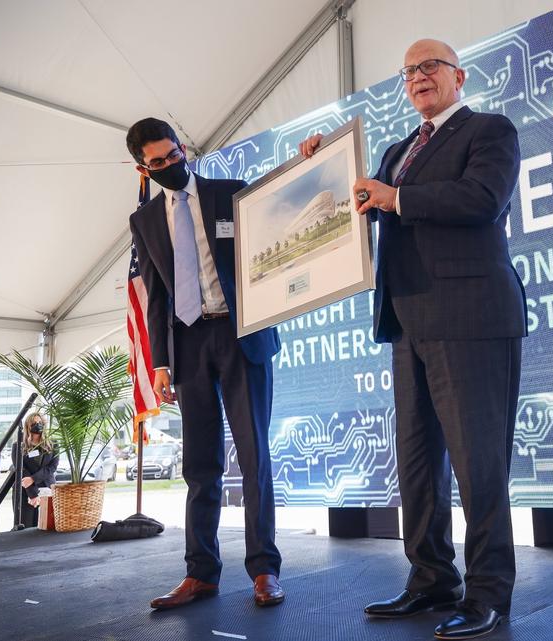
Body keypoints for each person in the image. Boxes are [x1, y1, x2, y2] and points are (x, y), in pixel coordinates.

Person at [299, 38, 525, 640]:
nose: (418, 77)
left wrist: (396, 197)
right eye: (408, 72)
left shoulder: (490, 130)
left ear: (459, 76)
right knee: (419, 464)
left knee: (480, 465)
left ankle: (488, 595)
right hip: (409, 322)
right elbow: (362, 199)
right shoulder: (400, 150)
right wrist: (320, 164)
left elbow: (483, 198)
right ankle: (431, 579)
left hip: (473, 318)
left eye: (430, 66)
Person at [126, 117, 284, 610]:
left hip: (241, 336)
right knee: (200, 464)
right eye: (159, 162)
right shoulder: (145, 221)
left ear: (183, 149)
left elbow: (274, 245)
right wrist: (159, 364)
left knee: (254, 455)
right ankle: (201, 574)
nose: (171, 165)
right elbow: (154, 298)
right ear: (142, 168)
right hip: (188, 344)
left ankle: (264, 571)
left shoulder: (232, 194)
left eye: (175, 155)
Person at [12, 413, 58, 529]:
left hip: (47, 489)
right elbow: (21, 469)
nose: (37, 425)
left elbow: (52, 467)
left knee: (48, 527)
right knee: (26, 528)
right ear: (28, 426)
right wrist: (32, 494)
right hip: (24, 491)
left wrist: (33, 479)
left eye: (40, 423)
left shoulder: (53, 443)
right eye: (34, 423)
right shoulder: (18, 445)